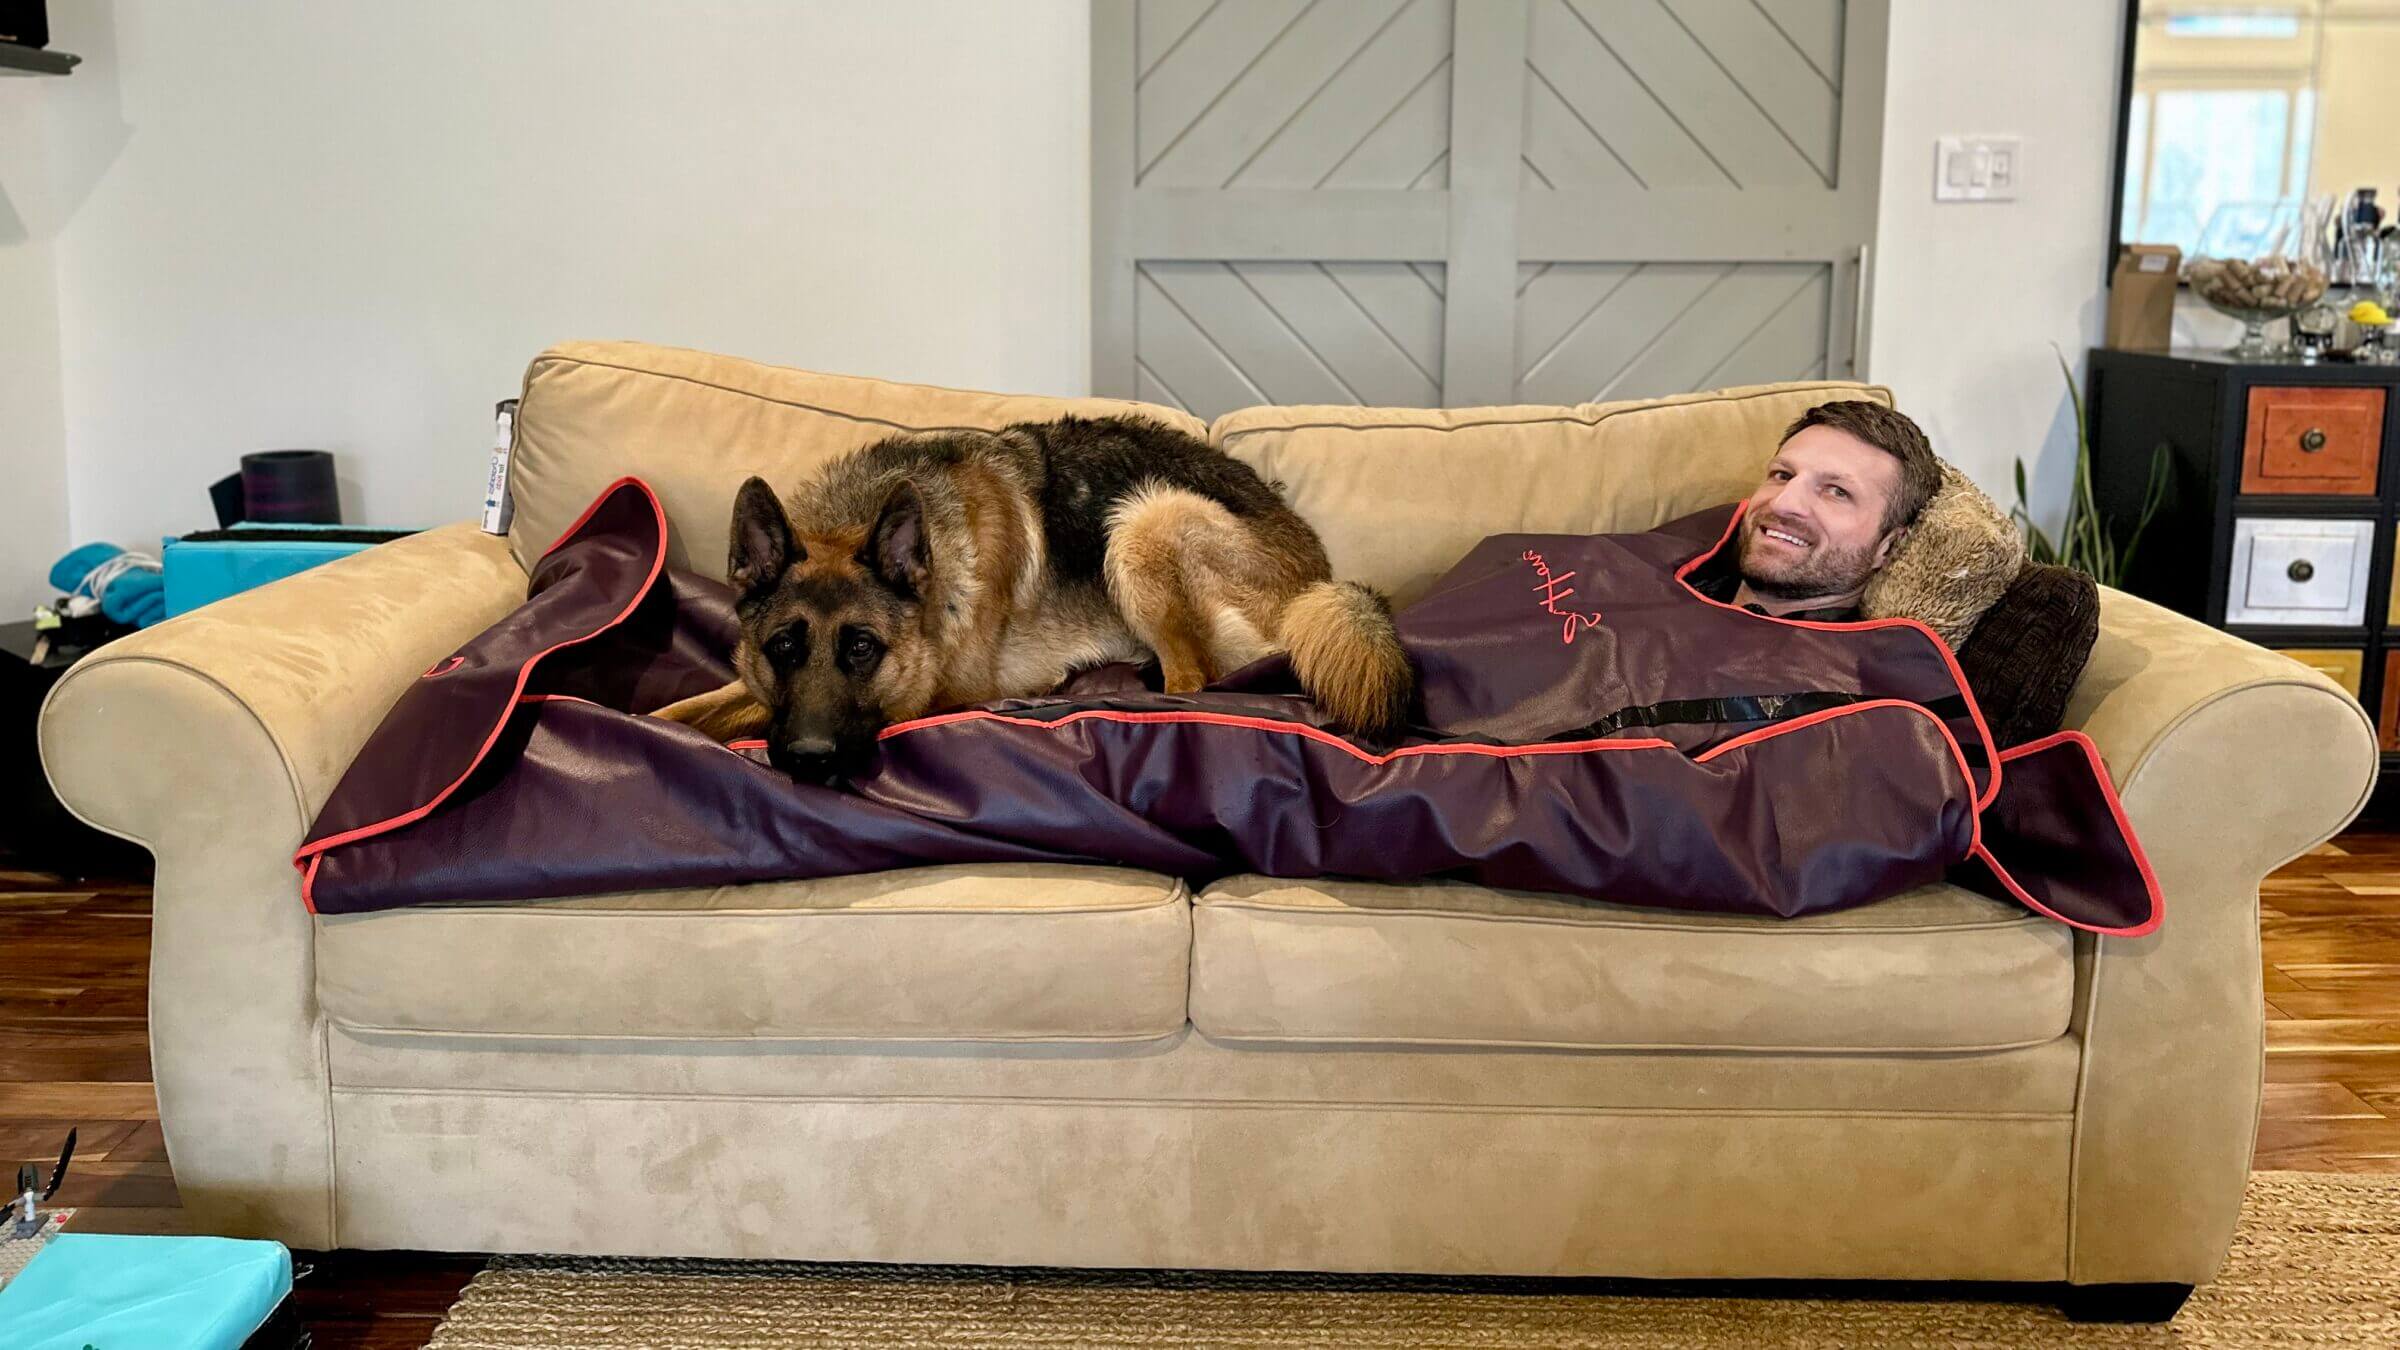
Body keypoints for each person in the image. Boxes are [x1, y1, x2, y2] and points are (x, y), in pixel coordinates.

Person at [1687, 401, 1943, 622]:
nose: (1783, 503)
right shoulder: (1672, 563)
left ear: (1888, 546)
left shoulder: (1863, 675)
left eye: (1837, 492)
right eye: (1783, 475)